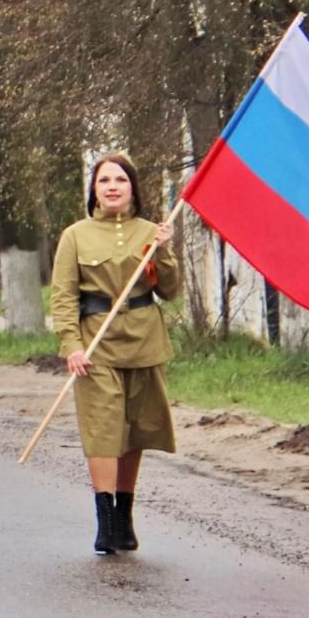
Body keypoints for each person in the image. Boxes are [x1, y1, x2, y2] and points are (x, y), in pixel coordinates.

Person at [48, 152, 181, 555]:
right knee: (103, 430)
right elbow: (63, 296)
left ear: (132, 189)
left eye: (120, 180)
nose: (112, 187)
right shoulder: (76, 235)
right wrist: (71, 346)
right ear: (94, 190)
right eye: (104, 180)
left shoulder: (151, 231)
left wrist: (163, 250)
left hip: (143, 341)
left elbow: (170, 291)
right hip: (95, 345)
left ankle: (124, 518)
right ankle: (105, 522)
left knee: (135, 430)